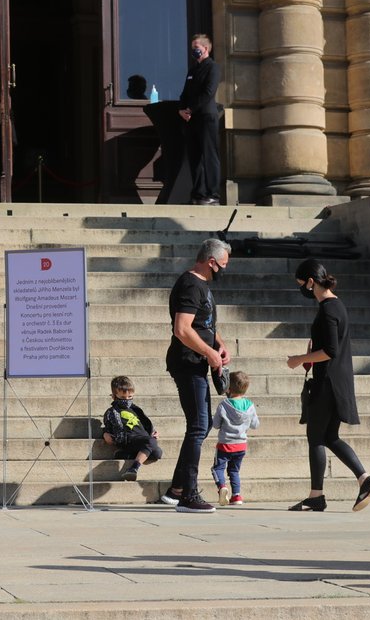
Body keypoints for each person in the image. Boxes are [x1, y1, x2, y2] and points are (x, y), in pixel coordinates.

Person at [286, 259, 370, 512]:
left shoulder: (328, 309)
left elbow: (329, 351)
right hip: (337, 381)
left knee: (316, 437)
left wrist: (299, 360)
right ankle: (362, 480)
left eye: (301, 285)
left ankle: (321, 494)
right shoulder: (337, 306)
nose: (302, 290)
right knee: (329, 436)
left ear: (310, 282)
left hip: (327, 382)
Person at [159, 238, 232, 513]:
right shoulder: (191, 284)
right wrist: (209, 353)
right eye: (222, 265)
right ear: (211, 261)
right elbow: (182, 329)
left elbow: (204, 324)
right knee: (199, 426)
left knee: (199, 426)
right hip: (187, 363)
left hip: (196, 361)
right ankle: (188, 494)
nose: (223, 270)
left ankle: (177, 489)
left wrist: (219, 344)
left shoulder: (202, 286)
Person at [178, 34, 221, 206]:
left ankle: (213, 194)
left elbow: (208, 92)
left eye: (196, 47)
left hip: (206, 117)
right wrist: (181, 109)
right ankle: (199, 193)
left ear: (206, 48)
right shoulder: (192, 70)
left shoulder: (213, 67)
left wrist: (191, 108)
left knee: (209, 156)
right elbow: (185, 92)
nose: (193, 50)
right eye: (192, 47)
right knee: (194, 157)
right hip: (191, 119)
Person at [210, 370, 259, 506]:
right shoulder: (250, 405)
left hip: (225, 444)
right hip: (241, 445)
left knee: (217, 468)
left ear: (228, 388)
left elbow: (216, 425)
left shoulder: (224, 405)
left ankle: (222, 487)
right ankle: (236, 496)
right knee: (234, 470)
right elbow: (255, 425)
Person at [101, 375, 163, 482]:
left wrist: (152, 432)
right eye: (123, 398)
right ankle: (134, 468)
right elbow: (108, 426)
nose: (127, 400)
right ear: (114, 397)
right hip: (129, 438)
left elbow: (144, 423)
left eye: (130, 397)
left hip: (143, 438)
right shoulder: (112, 412)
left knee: (157, 453)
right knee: (151, 443)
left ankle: (127, 454)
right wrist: (105, 433)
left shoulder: (136, 409)